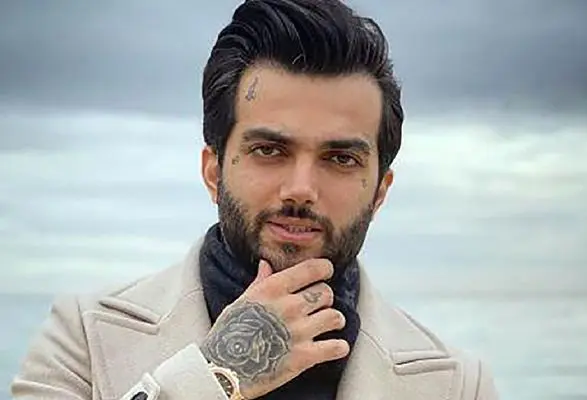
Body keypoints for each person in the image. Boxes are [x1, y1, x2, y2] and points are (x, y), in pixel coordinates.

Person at [11, 0, 498, 399]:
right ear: (213, 171)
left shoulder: (457, 385)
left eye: (340, 158)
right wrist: (218, 373)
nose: (301, 188)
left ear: (380, 191)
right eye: (270, 150)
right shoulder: (83, 338)